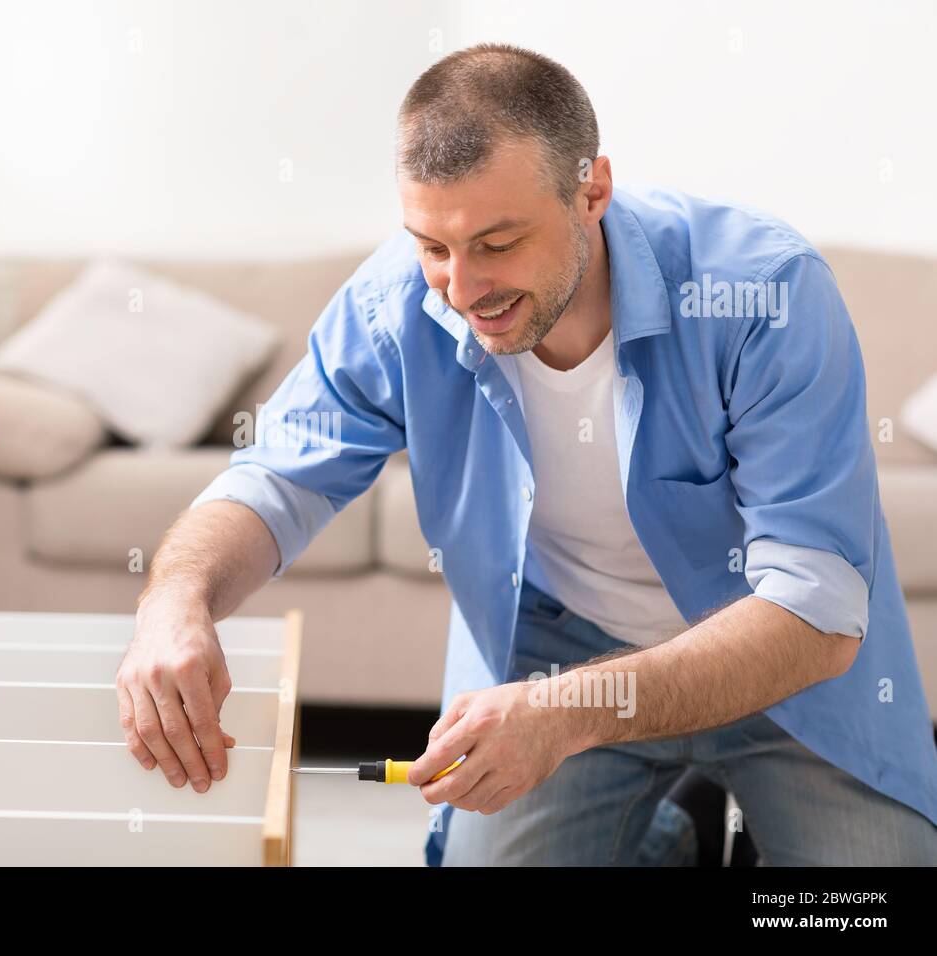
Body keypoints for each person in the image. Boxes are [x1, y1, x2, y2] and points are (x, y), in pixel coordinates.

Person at [114, 42, 937, 865]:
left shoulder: (765, 294)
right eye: (433, 247)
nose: (463, 290)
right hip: (559, 655)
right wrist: (173, 600)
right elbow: (275, 481)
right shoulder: (397, 305)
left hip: (780, 669)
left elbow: (817, 609)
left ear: (592, 192)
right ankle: (674, 836)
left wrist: (574, 712)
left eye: (498, 243)